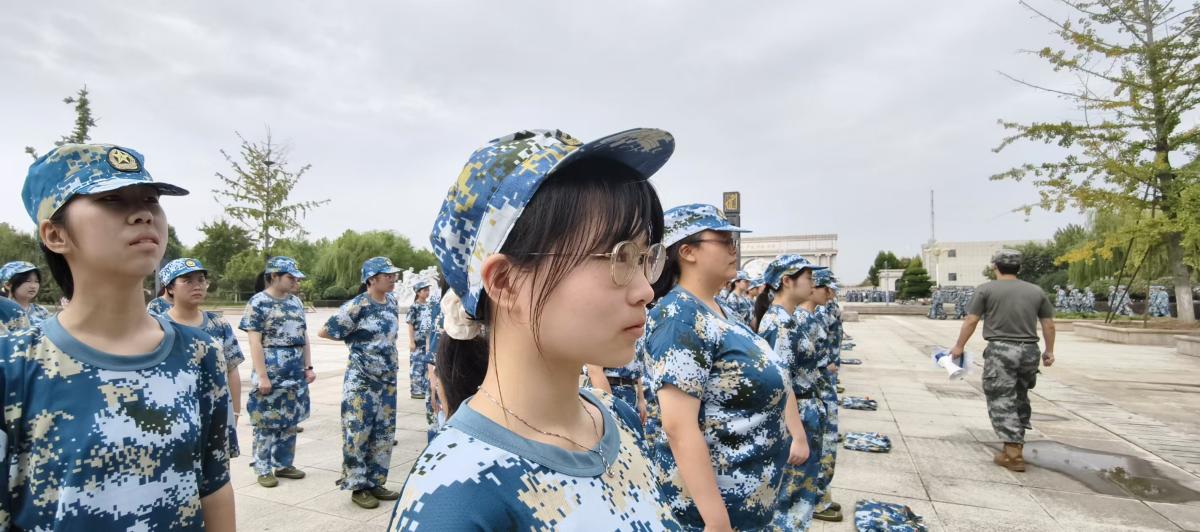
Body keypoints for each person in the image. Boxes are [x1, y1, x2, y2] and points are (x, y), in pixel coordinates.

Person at [391, 128, 679, 530]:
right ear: (506, 282)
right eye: (619, 256)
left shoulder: (616, 418)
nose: (646, 290)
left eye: (646, 256)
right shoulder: (452, 499)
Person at [1, 143, 233, 530]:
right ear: (55, 234)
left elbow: (213, 484)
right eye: (111, 199)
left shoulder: (200, 353)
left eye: (150, 199)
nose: (144, 214)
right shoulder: (14, 366)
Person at [647, 204, 808, 530]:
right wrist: (716, 520)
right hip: (712, 512)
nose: (733, 248)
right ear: (687, 252)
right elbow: (679, 426)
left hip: (747, 503)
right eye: (723, 240)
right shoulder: (680, 316)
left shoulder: (720, 311)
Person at [948, 249, 1055, 472]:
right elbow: (1048, 324)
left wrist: (959, 346)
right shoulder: (1036, 291)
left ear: (994, 266)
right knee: (1020, 394)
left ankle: (1013, 454)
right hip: (1030, 351)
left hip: (1001, 350)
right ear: (1019, 268)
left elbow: (971, 320)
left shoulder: (986, 289)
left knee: (1001, 397)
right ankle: (1015, 445)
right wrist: (1049, 351)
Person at [319, 256, 403, 509]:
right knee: (358, 432)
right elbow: (325, 331)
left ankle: (376, 481)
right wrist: (357, 346)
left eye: (394, 274)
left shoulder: (392, 302)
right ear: (371, 279)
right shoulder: (357, 306)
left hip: (387, 380)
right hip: (362, 380)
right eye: (387, 275)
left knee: (383, 433)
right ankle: (357, 486)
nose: (393, 279)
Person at [753, 254, 824, 529]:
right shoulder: (779, 324)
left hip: (803, 412)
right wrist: (798, 435)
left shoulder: (787, 319)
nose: (813, 284)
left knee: (797, 496)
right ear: (786, 281)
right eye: (808, 278)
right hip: (796, 417)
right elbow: (782, 383)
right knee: (791, 501)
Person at [240, 256, 315, 487]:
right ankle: (262, 468)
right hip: (271, 370)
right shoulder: (258, 302)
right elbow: (255, 342)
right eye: (291, 278)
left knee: (290, 420)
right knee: (266, 421)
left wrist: (308, 366)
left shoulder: (296, 302)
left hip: (294, 371)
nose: (296, 282)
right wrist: (262, 376)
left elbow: (303, 336)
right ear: (274, 276)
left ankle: (283, 464)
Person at [160, 258, 245, 461]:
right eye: (187, 281)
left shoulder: (219, 324)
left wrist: (235, 412)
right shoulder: (158, 326)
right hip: (175, 417)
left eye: (201, 279)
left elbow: (232, 369)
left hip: (216, 413)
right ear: (170, 288)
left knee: (217, 471)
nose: (197, 285)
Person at [810, 268, 845, 521]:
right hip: (814, 391)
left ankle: (819, 495)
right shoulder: (801, 318)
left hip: (822, 387)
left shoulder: (815, 313)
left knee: (825, 447)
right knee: (819, 449)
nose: (830, 294)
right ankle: (816, 498)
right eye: (826, 288)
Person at [405, 280, 434, 400]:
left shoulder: (430, 306)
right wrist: (411, 341)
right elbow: (410, 324)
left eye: (428, 290)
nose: (427, 292)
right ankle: (416, 391)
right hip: (417, 342)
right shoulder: (414, 307)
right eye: (424, 290)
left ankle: (425, 389)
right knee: (417, 366)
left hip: (428, 342)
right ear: (418, 292)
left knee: (427, 367)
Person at [0, 261, 51, 326]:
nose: (33, 286)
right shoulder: (2, 311)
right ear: (8, 285)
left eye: (36, 281)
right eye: (28, 281)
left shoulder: (42, 312)